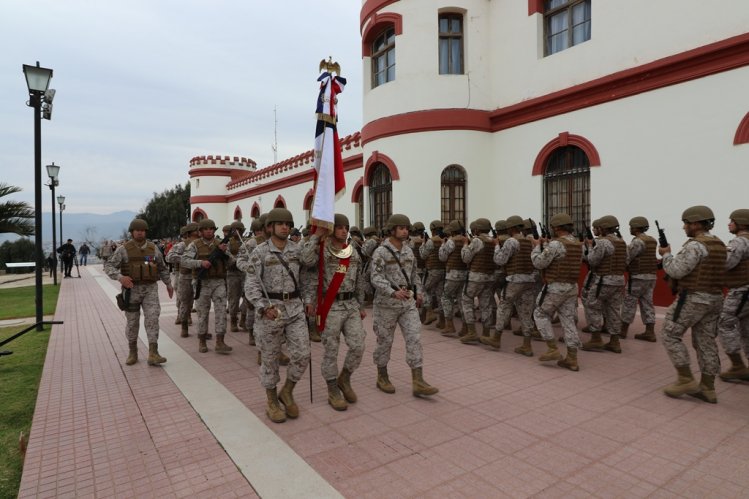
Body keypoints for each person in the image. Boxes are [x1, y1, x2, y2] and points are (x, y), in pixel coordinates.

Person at [245, 208, 310, 423]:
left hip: (295, 308)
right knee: (270, 359)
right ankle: (272, 400)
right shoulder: (260, 252)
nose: (285, 227)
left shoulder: (297, 250)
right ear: (270, 227)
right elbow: (252, 284)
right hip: (271, 311)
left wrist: (308, 302)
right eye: (280, 223)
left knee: (302, 354)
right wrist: (263, 307)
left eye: (288, 223)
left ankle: (287, 391)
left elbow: (306, 279)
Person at [659, 205, 726, 403]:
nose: (683, 227)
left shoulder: (695, 246)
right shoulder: (720, 244)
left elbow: (677, 271)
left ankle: (685, 378)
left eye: (686, 223)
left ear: (696, 224)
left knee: (669, 334)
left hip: (694, 298)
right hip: (715, 298)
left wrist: (666, 255)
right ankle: (707, 387)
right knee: (705, 341)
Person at [301, 214, 367, 411]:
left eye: (346, 227)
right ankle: (332, 388)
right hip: (329, 306)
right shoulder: (321, 250)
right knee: (331, 350)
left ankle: (344, 378)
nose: (344, 231)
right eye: (339, 227)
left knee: (358, 345)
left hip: (350, 305)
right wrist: (316, 237)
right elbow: (306, 263)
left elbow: (359, 280)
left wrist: (361, 304)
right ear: (331, 229)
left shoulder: (352, 252)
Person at [370, 214, 438, 397]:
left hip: (407, 304)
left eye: (406, 228)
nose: (405, 231)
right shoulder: (381, 252)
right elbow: (375, 277)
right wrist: (392, 292)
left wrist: (419, 292)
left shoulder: (409, 251)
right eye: (401, 228)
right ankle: (382, 376)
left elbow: (414, 275)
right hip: (386, 305)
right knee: (385, 341)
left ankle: (418, 381)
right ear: (392, 230)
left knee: (414, 338)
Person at [104, 219, 173, 366]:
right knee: (132, 322)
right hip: (131, 290)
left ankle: (153, 353)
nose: (140, 232)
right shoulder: (123, 249)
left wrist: (168, 283)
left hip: (150, 289)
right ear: (132, 232)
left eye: (142, 230)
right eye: (137, 230)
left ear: (146, 232)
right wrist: (120, 277)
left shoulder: (153, 248)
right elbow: (109, 266)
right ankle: (132, 352)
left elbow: (162, 268)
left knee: (153, 318)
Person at [531, 213, 584, 370]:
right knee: (568, 320)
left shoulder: (556, 245)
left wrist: (536, 247)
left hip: (555, 287)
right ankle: (572, 358)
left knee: (540, 314)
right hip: (571, 287)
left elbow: (539, 263)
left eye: (553, 227)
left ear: (558, 228)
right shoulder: (576, 243)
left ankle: (552, 348)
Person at [483, 216, 536, 354]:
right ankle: (527, 345)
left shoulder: (511, 241)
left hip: (515, 280)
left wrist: (496, 246)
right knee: (526, 312)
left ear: (511, 228)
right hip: (529, 280)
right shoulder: (529, 241)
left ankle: (496, 338)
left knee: (504, 306)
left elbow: (500, 260)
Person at [181, 219, 235, 355]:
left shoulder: (220, 244)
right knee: (202, 313)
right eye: (206, 229)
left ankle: (220, 341)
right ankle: (202, 340)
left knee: (221, 312)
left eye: (211, 229)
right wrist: (200, 263)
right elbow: (185, 261)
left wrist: (224, 253)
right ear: (201, 231)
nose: (209, 231)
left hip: (219, 282)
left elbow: (231, 261)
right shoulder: (194, 245)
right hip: (202, 283)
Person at [581, 215, 626, 354]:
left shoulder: (602, 242)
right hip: (619, 280)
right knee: (613, 310)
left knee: (592, 305)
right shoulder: (621, 242)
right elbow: (627, 260)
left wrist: (589, 246)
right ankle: (614, 341)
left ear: (603, 228)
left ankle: (596, 338)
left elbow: (592, 260)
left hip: (604, 281)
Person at [718, 209, 749, 381]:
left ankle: (737, 366)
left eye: (732, 221)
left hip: (741, 291)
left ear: (742, 223)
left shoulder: (739, 242)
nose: (729, 223)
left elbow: (726, 263)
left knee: (725, 324)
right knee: (747, 329)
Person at [459, 218, 498, 344]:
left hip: (476, 277)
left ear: (477, 229)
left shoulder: (476, 240)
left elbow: (466, 258)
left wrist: (465, 244)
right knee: (485, 304)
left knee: (466, 300)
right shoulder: (493, 241)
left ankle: (472, 332)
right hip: (490, 276)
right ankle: (486, 333)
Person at [622, 217, 658, 341]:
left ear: (636, 227)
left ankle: (623, 330)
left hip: (637, 277)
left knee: (629, 303)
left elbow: (627, 257)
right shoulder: (652, 240)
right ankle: (650, 332)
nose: (630, 229)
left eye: (631, 226)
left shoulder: (637, 242)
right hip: (651, 277)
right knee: (648, 304)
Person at [166, 223, 199, 337]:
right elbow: (169, 257)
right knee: (184, 301)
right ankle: (184, 324)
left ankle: (202, 330)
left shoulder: (202, 243)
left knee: (200, 303)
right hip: (185, 276)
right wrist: (187, 260)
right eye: (196, 230)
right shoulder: (181, 245)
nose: (199, 232)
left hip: (200, 276)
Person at [439, 220, 469, 337]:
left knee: (445, 297)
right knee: (461, 300)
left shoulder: (451, 241)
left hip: (453, 275)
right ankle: (465, 327)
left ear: (452, 231)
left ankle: (449, 325)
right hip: (464, 274)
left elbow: (442, 257)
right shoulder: (466, 240)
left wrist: (442, 244)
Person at [420, 220, 447, 329]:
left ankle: (430, 312)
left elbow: (423, 255)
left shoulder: (431, 242)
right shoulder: (444, 240)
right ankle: (442, 320)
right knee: (440, 294)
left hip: (433, 271)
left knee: (425, 289)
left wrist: (423, 244)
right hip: (442, 270)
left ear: (433, 230)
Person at [226, 221, 246, 332]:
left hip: (244, 273)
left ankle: (243, 317)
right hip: (233, 273)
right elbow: (227, 255)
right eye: (235, 230)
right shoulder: (228, 242)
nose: (238, 232)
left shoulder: (246, 242)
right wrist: (238, 260)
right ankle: (233, 320)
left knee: (248, 296)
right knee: (233, 298)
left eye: (240, 230)